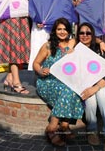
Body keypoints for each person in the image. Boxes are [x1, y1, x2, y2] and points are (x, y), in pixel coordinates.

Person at [33, 17, 84, 146]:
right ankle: (52, 127)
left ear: (68, 31)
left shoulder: (73, 43)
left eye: (64, 29)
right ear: (54, 31)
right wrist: (40, 70)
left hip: (66, 82)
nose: (62, 32)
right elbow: (36, 63)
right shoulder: (48, 46)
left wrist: (101, 42)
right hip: (47, 81)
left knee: (73, 88)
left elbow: (88, 38)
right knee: (69, 90)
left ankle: (65, 126)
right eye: (59, 29)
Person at [77, 22, 105, 151]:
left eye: (88, 33)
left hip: (100, 83)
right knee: (90, 100)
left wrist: (96, 87)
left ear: (92, 34)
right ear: (78, 35)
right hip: (84, 85)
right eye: (81, 33)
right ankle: (92, 130)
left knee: (103, 94)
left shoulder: (100, 49)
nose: (85, 35)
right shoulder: (75, 51)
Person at [28, 0, 59, 70]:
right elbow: (34, 3)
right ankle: (36, 75)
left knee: (53, 50)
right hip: (41, 24)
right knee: (39, 48)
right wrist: (37, 19)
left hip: (55, 25)